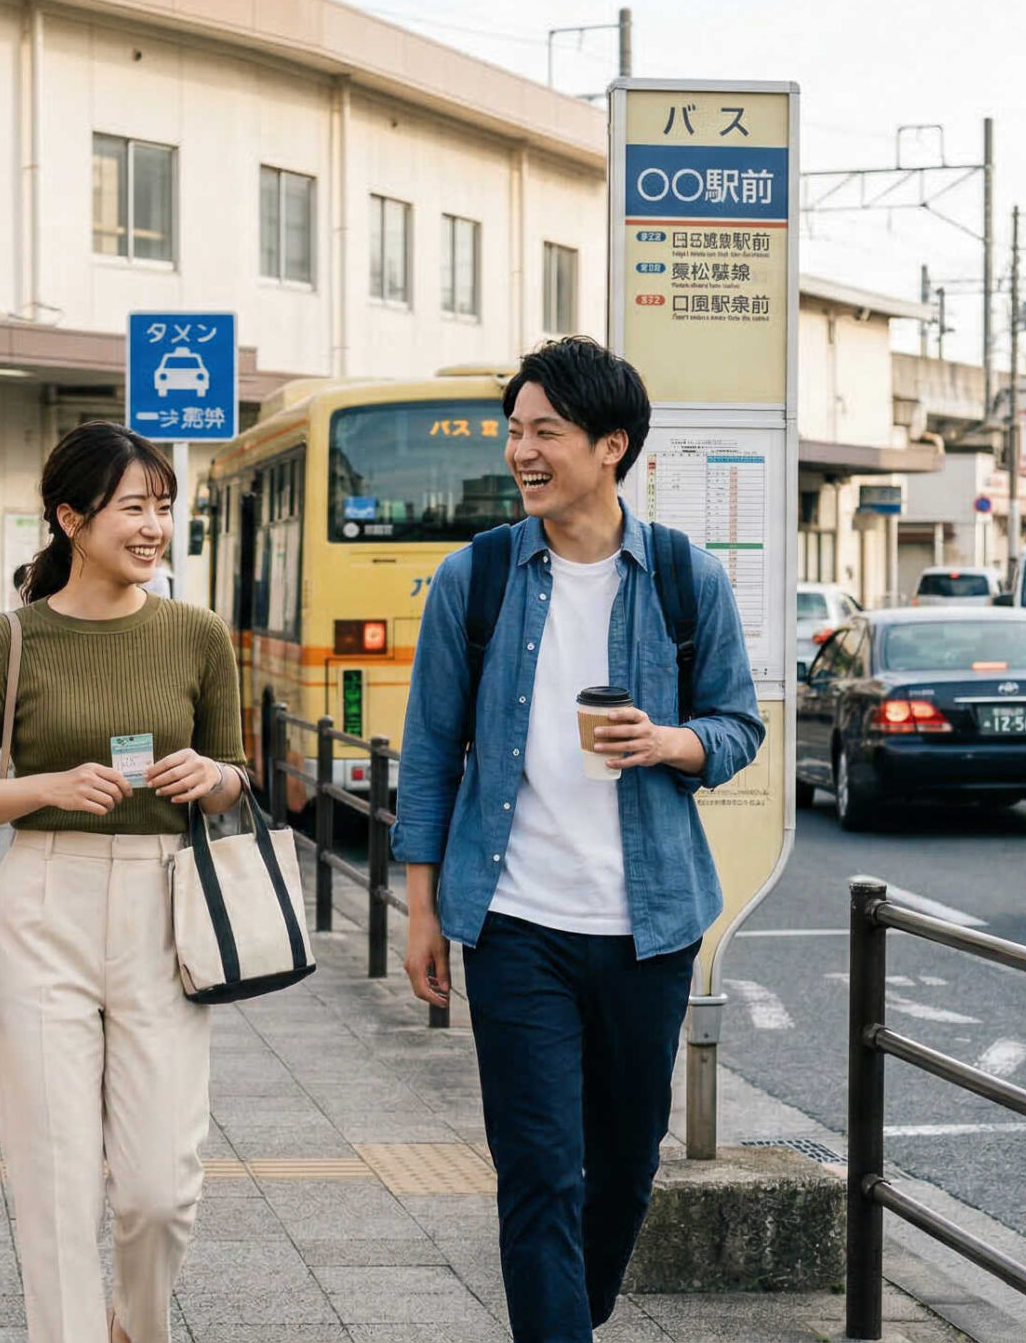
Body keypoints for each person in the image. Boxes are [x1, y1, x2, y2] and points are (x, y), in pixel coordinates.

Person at [394, 337, 762, 1342]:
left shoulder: (685, 578)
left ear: (610, 446)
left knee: (624, 1171)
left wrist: (671, 740)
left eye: (542, 431)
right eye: (513, 430)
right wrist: (421, 911)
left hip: (649, 928)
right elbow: (428, 752)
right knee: (539, 1172)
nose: (520, 450)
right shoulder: (473, 579)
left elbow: (739, 725)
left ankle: (569, 1321)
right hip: (516, 925)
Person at [0, 422, 246, 1343]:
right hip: (40, 898)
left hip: (165, 901)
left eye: (162, 509)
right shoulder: (8, 639)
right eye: (132, 508)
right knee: (56, 1177)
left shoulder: (198, 634)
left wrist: (214, 777)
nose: (153, 528)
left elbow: (236, 771)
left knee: (160, 1188)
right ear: (71, 517)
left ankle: (135, 1327)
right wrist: (49, 785)